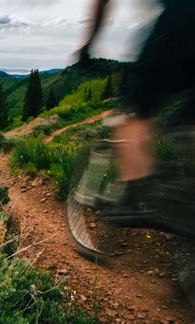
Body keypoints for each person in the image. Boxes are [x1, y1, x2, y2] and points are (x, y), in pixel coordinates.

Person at [78, 0, 195, 216]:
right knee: (188, 119)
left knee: (135, 114)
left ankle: (130, 201)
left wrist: (88, 46)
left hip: (178, 24)